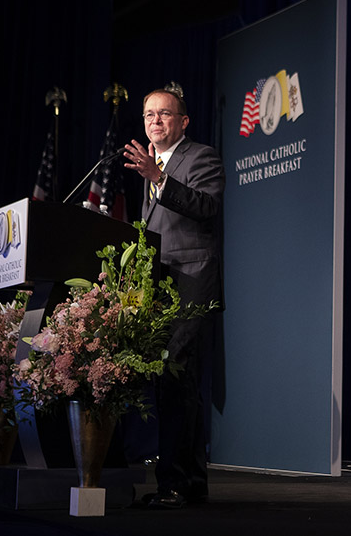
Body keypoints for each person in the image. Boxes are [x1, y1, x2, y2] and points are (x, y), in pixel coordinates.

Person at [123, 84, 225, 509]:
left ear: (182, 121)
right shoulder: (152, 169)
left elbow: (206, 207)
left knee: (178, 380)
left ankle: (176, 484)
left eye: (164, 114)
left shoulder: (201, 156)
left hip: (191, 281)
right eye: (148, 115)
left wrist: (159, 178)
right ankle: (186, 483)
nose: (155, 121)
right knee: (172, 385)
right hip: (159, 286)